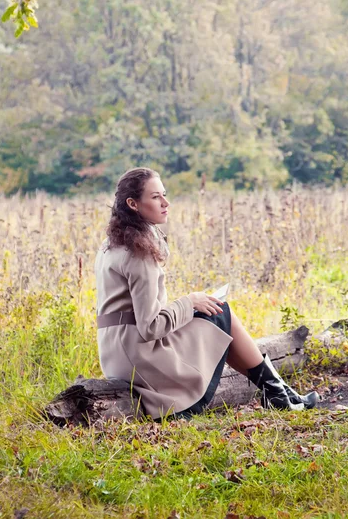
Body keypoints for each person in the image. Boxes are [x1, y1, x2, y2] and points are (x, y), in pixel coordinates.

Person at [94, 167, 319, 421]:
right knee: (221, 311)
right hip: (140, 358)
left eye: (164, 194)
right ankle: (279, 394)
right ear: (133, 204)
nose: (166, 203)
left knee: (213, 308)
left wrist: (191, 306)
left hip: (116, 354)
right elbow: (149, 327)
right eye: (156, 197)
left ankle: (280, 394)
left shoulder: (111, 244)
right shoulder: (139, 254)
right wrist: (189, 302)